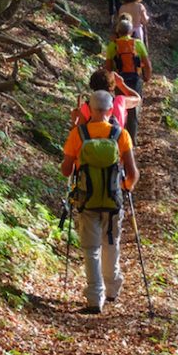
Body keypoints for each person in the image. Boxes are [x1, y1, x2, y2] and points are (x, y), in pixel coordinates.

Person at [61, 90, 138, 314]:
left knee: (91, 248)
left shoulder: (78, 134)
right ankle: (112, 288)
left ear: (90, 109)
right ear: (111, 109)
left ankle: (95, 297)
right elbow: (132, 173)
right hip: (113, 201)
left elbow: (66, 169)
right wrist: (125, 187)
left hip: (87, 201)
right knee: (111, 242)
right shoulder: (121, 135)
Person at [104, 19, 152, 143]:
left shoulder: (112, 45)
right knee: (134, 108)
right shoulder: (138, 44)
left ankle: (119, 136)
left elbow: (108, 67)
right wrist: (147, 76)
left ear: (118, 31)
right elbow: (147, 64)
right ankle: (131, 139)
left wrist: (110, 82)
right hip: (135, 79)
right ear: (131, 31)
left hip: (119, 79)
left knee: (120, 107)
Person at [70, 69, 141, 130]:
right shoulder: (119, 101)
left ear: (92, 86)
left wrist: (74, 120)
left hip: (93, 144)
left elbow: (78, 133)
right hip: (116, 142)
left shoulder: (87, 106)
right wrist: (121, 84)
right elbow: (137, 99)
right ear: (112, 86)